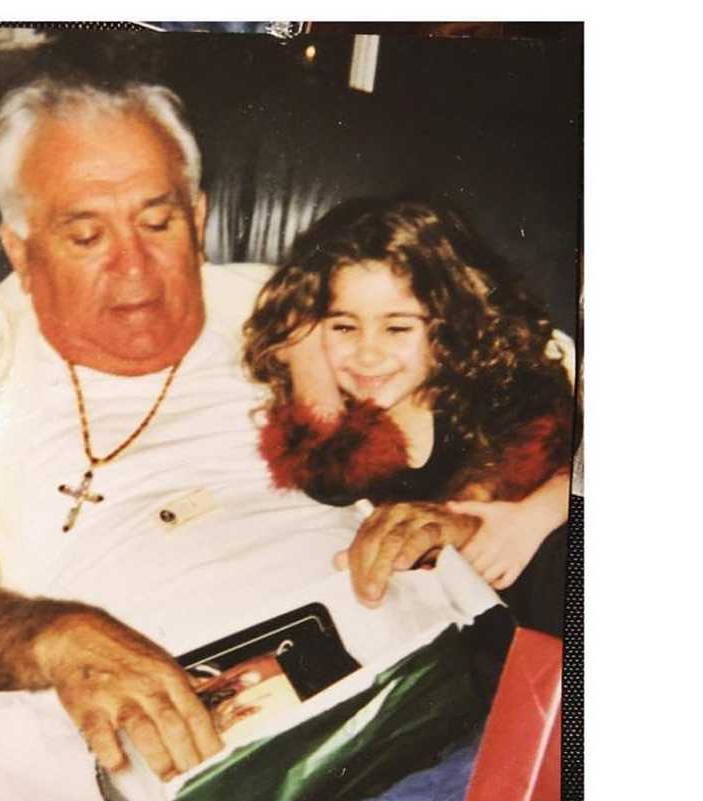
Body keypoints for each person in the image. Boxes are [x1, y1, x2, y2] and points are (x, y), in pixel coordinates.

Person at [0, 73, 557, 801]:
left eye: (158, 221)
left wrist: (486, 514)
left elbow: (528, 373)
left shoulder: (294, 305)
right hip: (190, 749)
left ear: (199, 213)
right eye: (86, 234)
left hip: (410, 661)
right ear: (19, 246)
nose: (133, 266)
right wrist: (56, 638)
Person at [242, 197, 576, 634]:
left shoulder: (504, 390)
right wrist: (304, 352)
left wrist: (536, 515)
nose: (367, 354)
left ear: (448, 323)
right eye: (343, 327)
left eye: (397, 328)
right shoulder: (358, 433)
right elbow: (329, 480)